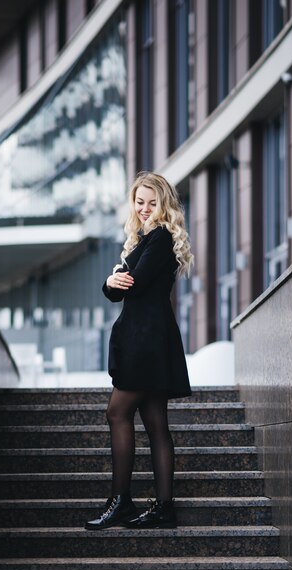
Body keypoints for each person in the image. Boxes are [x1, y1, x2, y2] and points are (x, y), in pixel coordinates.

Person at [85, 171, 194, 531]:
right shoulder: (142, 240)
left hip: (146, 340)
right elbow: (115, 289)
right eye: (140, 202)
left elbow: (132, 282)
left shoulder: (161, 237)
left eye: (152, 202)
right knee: (155, 424)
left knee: (117, 413)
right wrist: (109, 280)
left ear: (164, 205)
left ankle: (121, 501)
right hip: (149, 338)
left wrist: (116, 277)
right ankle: (163, 508)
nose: (145, 209)